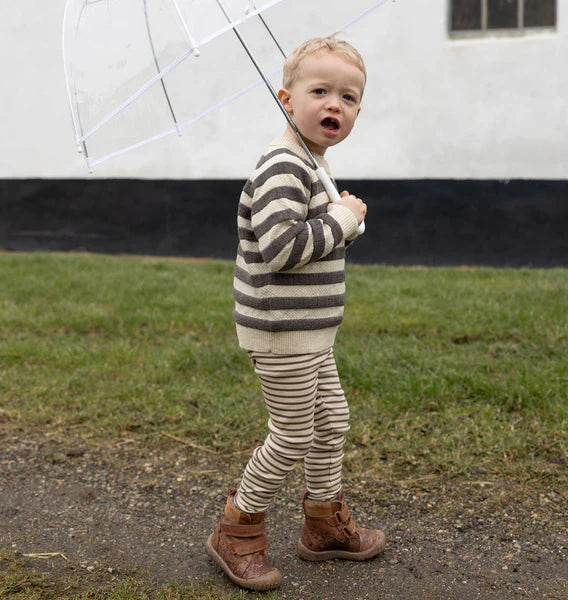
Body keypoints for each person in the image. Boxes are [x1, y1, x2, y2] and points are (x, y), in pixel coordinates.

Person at [205, 35, 386, 591]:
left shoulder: (310, 163)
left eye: (349, 97)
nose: (335, 104)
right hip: (281, 330)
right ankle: (237, 528)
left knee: (331, 421)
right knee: (291, 432)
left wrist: (337, 221)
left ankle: (323, 524)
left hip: (311, 329)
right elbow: (282, 249)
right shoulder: (283, 164)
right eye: (320, 91)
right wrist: (342, 220)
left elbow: (315, 241)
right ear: (287, 100)